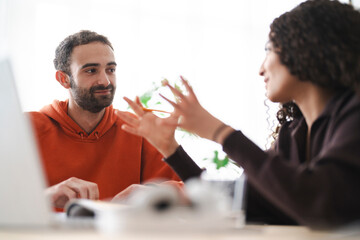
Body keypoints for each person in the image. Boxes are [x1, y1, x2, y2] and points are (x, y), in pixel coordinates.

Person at [116, 0, 360, 228]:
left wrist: (221, 133)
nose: (261, 69)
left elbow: (323, 204)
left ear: (304, 48)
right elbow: (238, 201)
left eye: (269, 50)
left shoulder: (353, 114)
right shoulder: (292, 133)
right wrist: (171, 150)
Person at [28, 30, 181, 210]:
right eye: (91, 71)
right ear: (64, 79)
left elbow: (192, 190)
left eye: (110, 70)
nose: (105, 81)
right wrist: (44, 197)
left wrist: (152, 190)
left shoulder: (137, 128)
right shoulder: (27, 128)